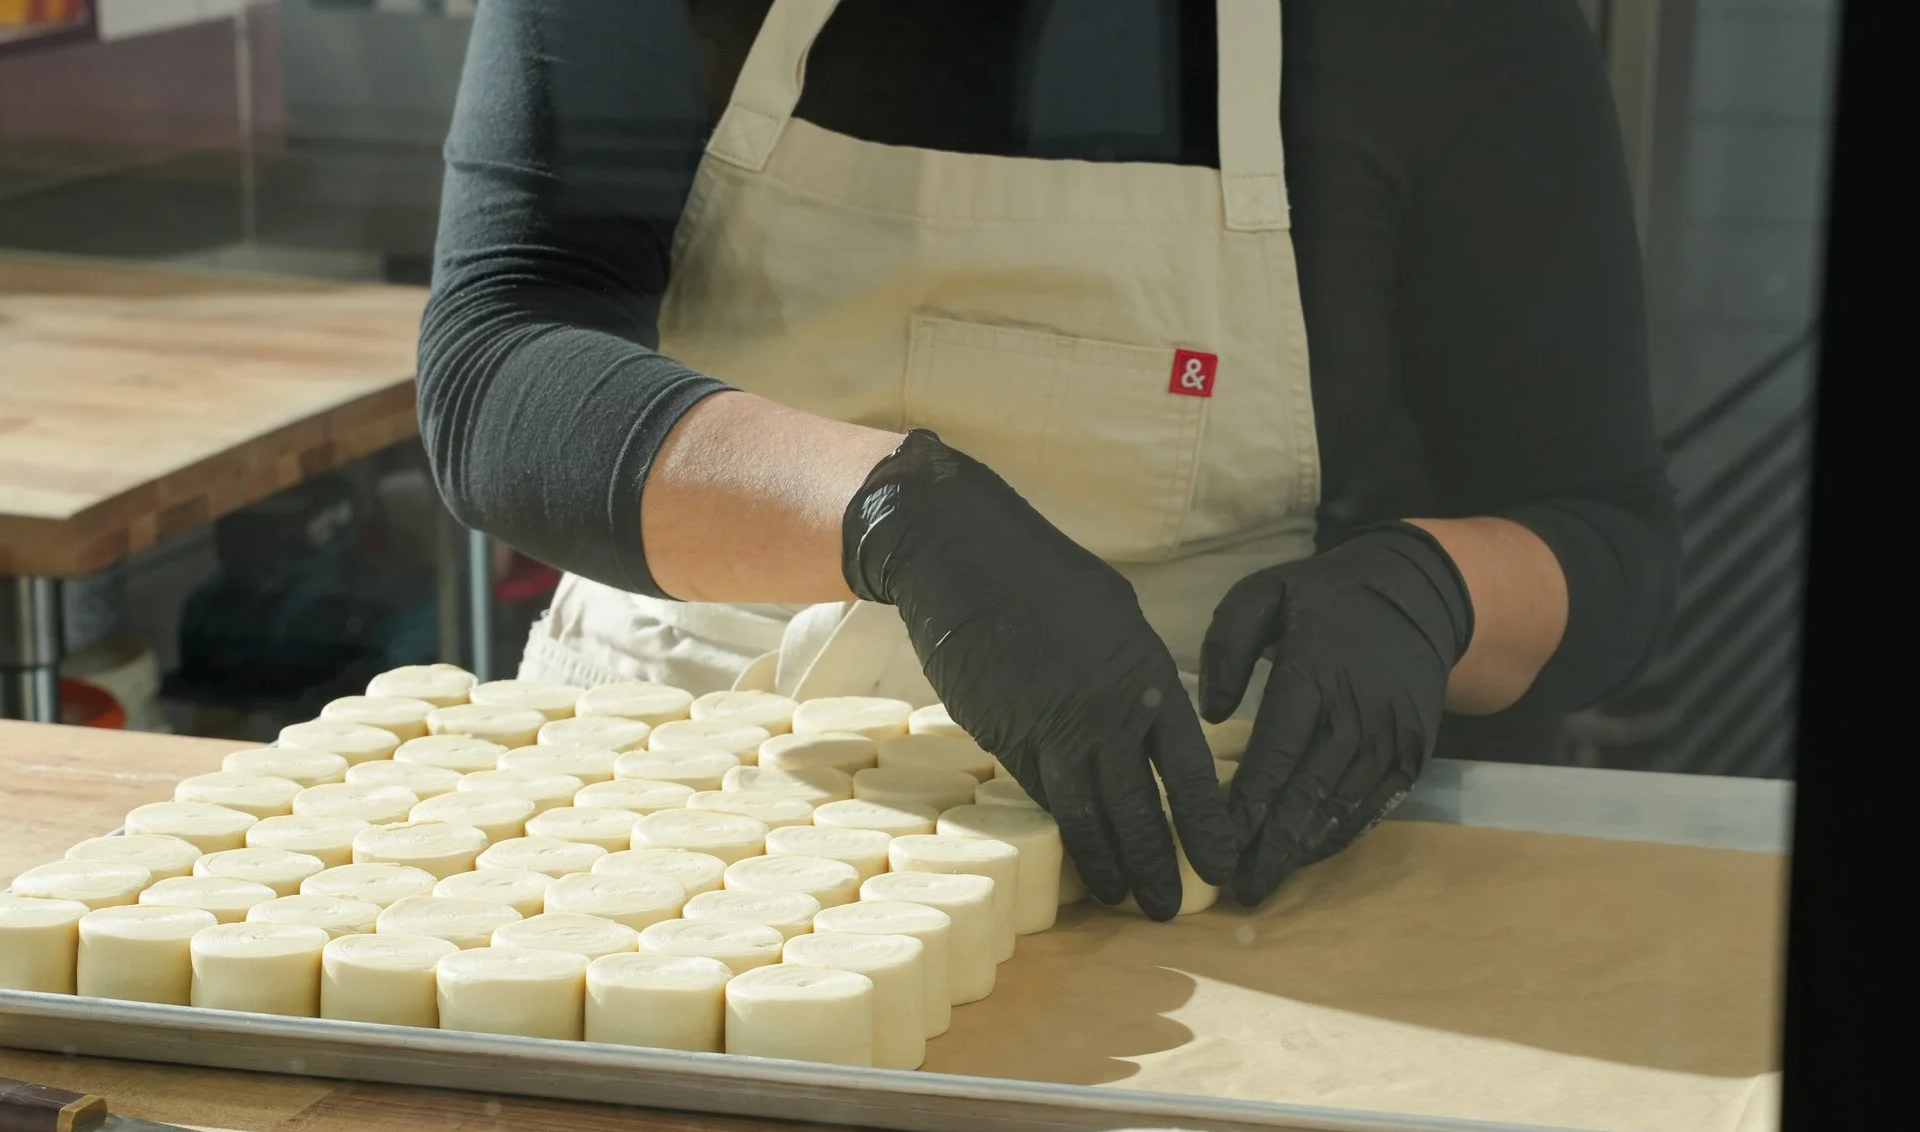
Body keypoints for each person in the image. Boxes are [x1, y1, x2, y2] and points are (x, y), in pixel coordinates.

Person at [417, 0, 1676, 918]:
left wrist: (1433, 594)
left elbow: (1600, 530)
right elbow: (497, 365)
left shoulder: (1443, 31)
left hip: (1188, 855)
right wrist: (890, 519)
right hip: (660, 818)